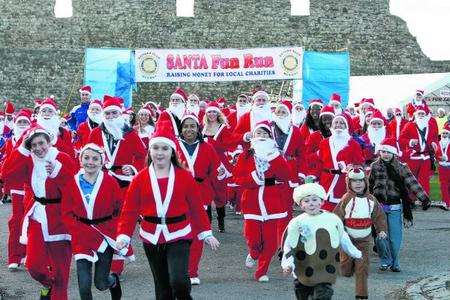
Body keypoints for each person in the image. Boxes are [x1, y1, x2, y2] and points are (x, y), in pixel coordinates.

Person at [115, 123, 219, 300]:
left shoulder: (184, 176)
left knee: (179, 280)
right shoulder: (140, 178)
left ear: (172, 152)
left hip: (179, 234)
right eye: (155, 148)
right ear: (150, 151)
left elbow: (196, 207)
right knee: (162, 286)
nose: (160, 152)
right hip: (151, 236)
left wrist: (206, 233)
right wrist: (123, 235)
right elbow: (130, 210)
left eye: (164, 148)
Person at [2, 125, 76, 299]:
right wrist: (21, 150)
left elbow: (74, 188)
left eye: (41, 143)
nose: (38, 148)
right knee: (34, 266)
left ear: (49, 142)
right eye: (33, 145)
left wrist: (57, 172)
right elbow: (6, 174)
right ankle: (48, 284)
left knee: (62, 275)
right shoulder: (29, 160)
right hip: (37, 215)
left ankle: (56, 289)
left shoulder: (62, 158)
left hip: (60, 218)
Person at [281, 182, 362, 300]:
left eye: (314, 200)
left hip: (325, 265)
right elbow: (289, 245)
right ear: (301, 205)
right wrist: (287, 264)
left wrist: (356, 254)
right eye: (306, 201)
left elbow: (343, 237)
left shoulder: (331, 219)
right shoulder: (297, 222)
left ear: (321, 201)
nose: (311, 203)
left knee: (323, 293)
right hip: (303, 265)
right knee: (302, 292)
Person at [61, 143, 122, 300]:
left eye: (95, 159)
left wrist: (115, 229)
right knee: (84, 284)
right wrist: (76, 229)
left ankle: (113, 281)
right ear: (80, 160)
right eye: (86, 158)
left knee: (101, 283)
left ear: (101, 162)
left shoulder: (111, 182)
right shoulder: (72, 183)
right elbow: (66, 213)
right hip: (81, 234)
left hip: (104, 235)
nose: (90, 162)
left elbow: (119, 209)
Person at [234, 120, 291, 282]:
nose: (262, 136)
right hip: (251, 201)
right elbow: (237, 178)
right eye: (259, 133)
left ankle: (261, 272)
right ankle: (253, 253)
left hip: (272, 202)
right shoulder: (246, 155)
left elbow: (285, 175)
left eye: (265, 133)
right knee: (253, 238)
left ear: (271, 137)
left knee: (271, 242)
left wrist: (275, 159)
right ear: (253, 136)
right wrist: (253, 178)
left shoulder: (277, 155)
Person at [369, 137, 431, 272]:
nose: (385, 154)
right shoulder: (374, 166)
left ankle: (395, 261)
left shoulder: (401, 167)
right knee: (380, 235)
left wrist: (424, 198)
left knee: (394, 238)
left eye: (388, 152)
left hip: (395, 207)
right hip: (378, 208)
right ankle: (385, 260)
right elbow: (369, 186)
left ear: (394, 153)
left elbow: (412, 183)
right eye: (383, 151)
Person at [177, 112, 225, 284]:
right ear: (181, 129)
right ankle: (178, 270)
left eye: (192, 126)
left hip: (200, 195)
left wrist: (219, 175)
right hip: (177, 195)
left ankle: (192, 272)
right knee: (179, 235)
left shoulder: (207, 147)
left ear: (198, 128)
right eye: (186, 126)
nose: (189, 129)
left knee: (197, 235)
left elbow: (216, 172)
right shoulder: (174, 146)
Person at [333, 166, 387, 299]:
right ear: (349, 184)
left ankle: (361, 294)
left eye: (361, 181)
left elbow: (379, 216)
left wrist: (381, 230)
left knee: (362, 268)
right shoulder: (346, 198)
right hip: (348, 239)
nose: (358, 184)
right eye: (354, 182)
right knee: (346, 269)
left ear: (366, 183)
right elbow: (337, 216)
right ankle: (345, 264)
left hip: (364, 239)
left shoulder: (371, 200)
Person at [308, 114, 364, 211]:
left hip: (344, 183)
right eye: (336, 122)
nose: (338, 125)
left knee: (343, 211)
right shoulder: (324, 143)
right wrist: (313, 175)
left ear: (346, 126)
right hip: (326, 181)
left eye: (342, 123)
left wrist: (352, 167)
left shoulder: (354, 144)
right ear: (332, 126)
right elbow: (320, 163)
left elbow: (359, 163)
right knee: (325, 212)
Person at [1, 109, 31, 270]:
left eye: (25, 122)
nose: (22, 125)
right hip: (17, 187)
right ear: (14, 123)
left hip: (33, 186)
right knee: (16, 221)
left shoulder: (33, 139)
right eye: (19, 122)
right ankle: (14, 256)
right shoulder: (9, 142)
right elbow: (7, 165)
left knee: (31, 221)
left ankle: (28, 253)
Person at [202, 101, 234, 233]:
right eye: (209, 111)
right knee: (206, 193)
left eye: (214, 111)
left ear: (218, 113)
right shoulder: (201, 127)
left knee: (220, 194)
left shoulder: (223, 128)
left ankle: (221, 220)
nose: (212, 114)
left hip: (220, 164)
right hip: (205, 164)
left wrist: (211, 143)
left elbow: (228, 144)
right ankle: (207, 223)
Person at [399, 105, 439, 195]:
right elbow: (401, 139)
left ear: (425, 115)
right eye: (419, 114)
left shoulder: (430, 126)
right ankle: (411, 199)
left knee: (424, 179)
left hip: (426, 157)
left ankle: (424, 199)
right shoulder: (409, 125)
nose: (421, 115)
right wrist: (410, 141)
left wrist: (434, 143)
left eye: (422, 114)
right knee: (411, 179)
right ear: (415, 115)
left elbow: (435, 138)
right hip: (413, 157)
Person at [437, 122, 450, 210]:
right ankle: (446, 202)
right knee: (443, 185)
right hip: (442, 167)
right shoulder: (439, 143)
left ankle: (447, 202)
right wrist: (439, 158)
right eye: (443, 133)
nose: (444, 135)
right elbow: (436, 154)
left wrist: (447, 158)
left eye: (446, 133)